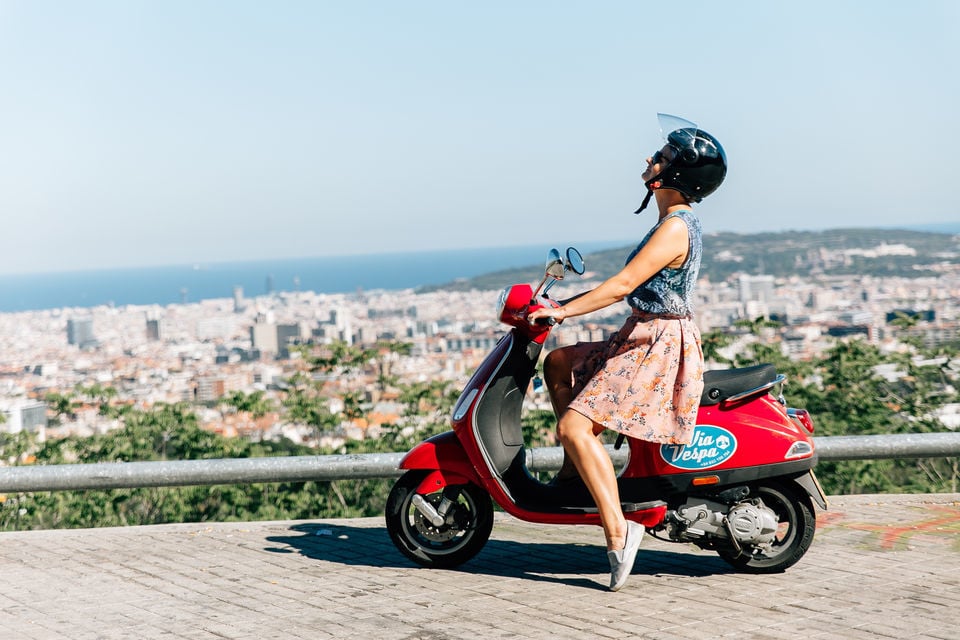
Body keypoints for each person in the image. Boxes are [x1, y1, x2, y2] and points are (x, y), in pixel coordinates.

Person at [527, 114, 727, 591]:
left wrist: (560, 312)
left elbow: (621, 285)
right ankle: (579, 471)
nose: (650, 159)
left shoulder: (675, 228)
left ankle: (619, 533)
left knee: (574, 425)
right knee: (558, 362)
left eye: (660, 157)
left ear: (674, 174)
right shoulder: (675, 221)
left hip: (657, 342)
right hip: (642, 331)